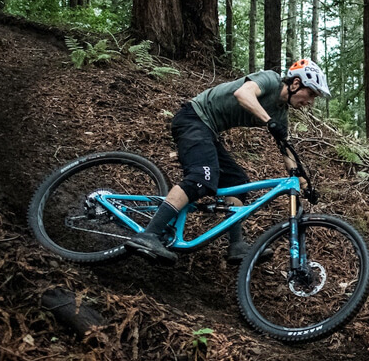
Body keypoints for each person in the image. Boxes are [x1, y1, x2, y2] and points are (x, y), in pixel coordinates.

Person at [126, 59, 331, 265]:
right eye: (311, 93)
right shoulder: (270, 79)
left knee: (237, 182)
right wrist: (269, 122)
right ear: (296, 84)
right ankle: (149, 235)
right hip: (193, 118)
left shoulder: (280, 113)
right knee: (201, 178)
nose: (311, 101)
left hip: (209, 131)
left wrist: (304, 184)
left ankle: (237, 245)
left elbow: (286, 150)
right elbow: (243, 94)